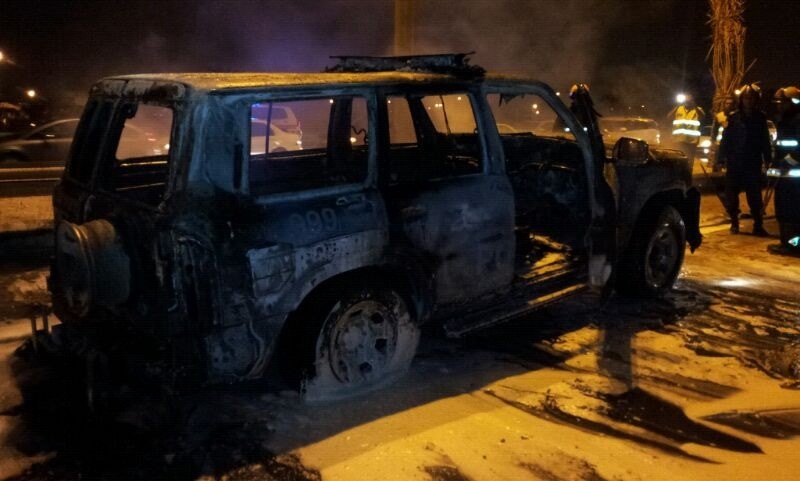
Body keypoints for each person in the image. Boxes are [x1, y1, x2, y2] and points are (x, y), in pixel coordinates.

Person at [717, 84, 772, 236]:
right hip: (735, 162)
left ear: (756, 100)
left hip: (752, 162)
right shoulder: (733, 118)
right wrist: (720, 158)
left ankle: (758, 225)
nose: (748, 101)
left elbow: (764, 140)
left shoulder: (760, 118)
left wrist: (768, 158)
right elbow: (725, 140)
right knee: (731, 196)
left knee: (754, 196)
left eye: (751, 98)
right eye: (746, 98)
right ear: (741, 100)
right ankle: (734, 223)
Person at [669, 93, 705, 162]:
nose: (687, 102)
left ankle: (688, 169)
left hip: (691, 141)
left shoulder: (697, 110)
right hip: (678, 139)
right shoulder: (679, 108)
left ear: (693, 101)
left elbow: (702, 116)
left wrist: (695, 106)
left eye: (689, 100)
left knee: (689, 159)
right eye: (686, 100)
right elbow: (669, 117)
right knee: (678, 159)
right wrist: (677, 106)